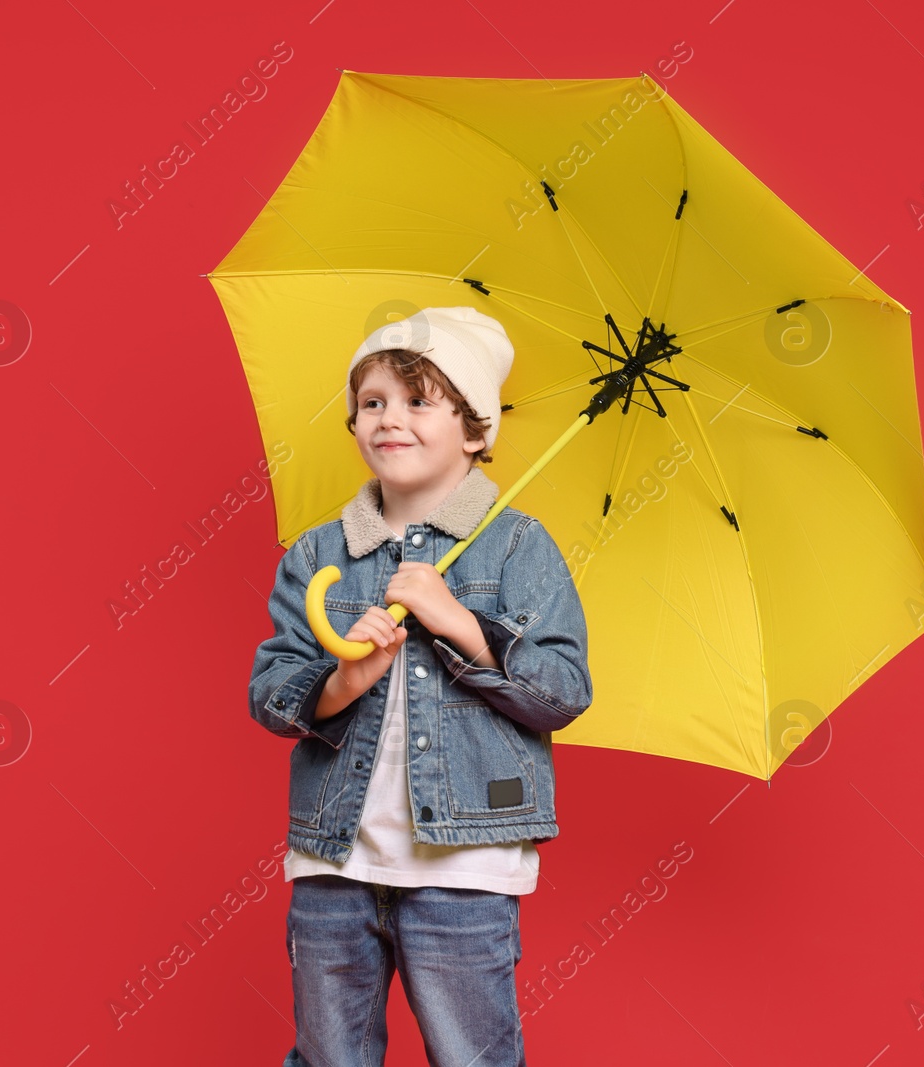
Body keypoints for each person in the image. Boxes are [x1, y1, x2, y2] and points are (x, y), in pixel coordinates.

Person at [248, 306, 594, 1067]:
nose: (387, 419)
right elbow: (270, 690)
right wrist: (341, 681)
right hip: (335, 864)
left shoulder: (517, 545)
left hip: (464, 867)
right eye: (371, 403)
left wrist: (462, 626)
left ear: (475, 431)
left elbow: (563, 690)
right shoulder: (319, 551)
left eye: (416, 401)